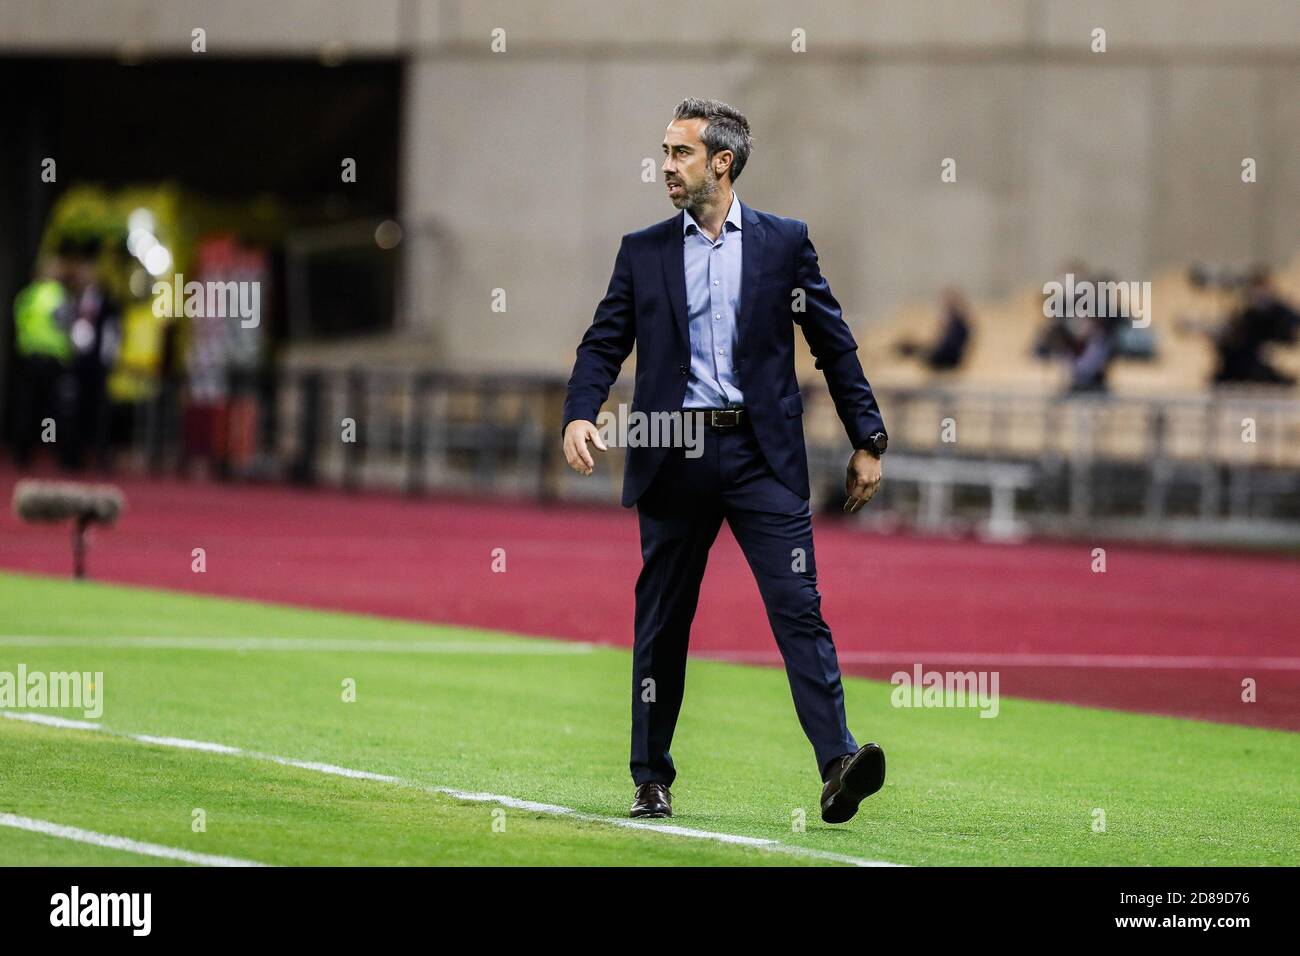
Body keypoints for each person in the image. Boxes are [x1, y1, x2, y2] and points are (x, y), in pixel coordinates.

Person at [562, 98, 889, 823]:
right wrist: (581, 412)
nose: (666, 166)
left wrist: (868, 437)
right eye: (664, 152)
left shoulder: (784, 244)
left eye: (680, 153)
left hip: (760, 456)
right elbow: (602, 343)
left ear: (722, 162)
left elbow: (833, 342)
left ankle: (838, 765)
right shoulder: (643, 250)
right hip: (670, 454)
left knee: (799, 608)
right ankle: (651, 777)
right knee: (663, 621)